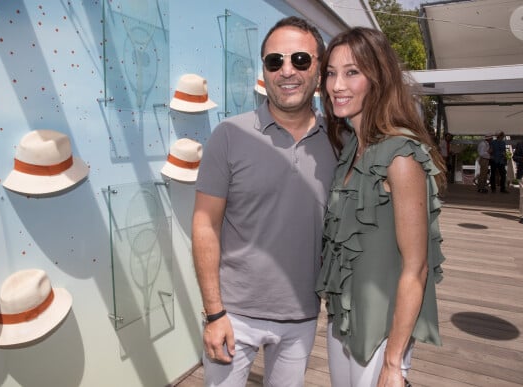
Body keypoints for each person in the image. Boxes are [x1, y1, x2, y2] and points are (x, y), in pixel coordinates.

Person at [191, 16, 337, 386]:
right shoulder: (228, 135)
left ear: (319, 70)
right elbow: (205, 224)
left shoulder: (340, 142)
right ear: (265, 71)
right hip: (233, 315)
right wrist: (213, 313)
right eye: (275, 61)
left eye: (301, 60)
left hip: (303, 314)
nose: (287, 71)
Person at [315, 27, 446, 387]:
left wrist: (393, 363)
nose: (337, 85)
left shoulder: (400, 156)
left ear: (378, 78)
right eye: (331, 73)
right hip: (343, 323)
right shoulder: (348, 151)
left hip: (382, 336)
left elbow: (416, 269)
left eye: (352, 72)